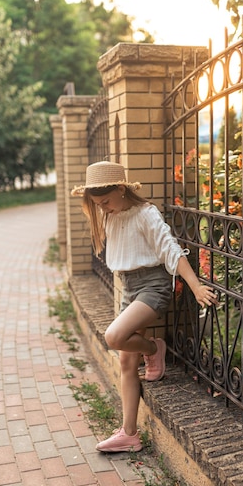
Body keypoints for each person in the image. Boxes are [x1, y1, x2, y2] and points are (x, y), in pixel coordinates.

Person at [71, 161, 217, 452]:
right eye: (97, 204)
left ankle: (153, 349)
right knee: (126, 361)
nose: (103, 208)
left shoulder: (146, 214)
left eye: (106, 202)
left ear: (122, 189)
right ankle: (129, 434)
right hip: (129, 287)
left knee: (113, 336)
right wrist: (105, 211)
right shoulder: (112, 217)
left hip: (153, 286)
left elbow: (170, 250)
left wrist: (196, 286)